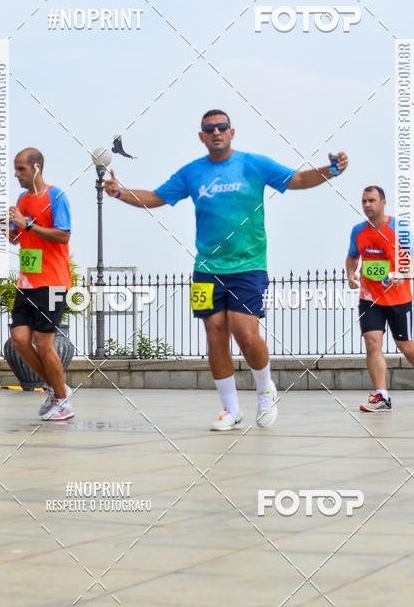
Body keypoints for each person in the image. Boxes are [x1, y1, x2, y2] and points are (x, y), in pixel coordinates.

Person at [104, 109, 348, 431]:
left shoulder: (254, 165)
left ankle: (265, 389)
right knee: (215, 333)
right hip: (207, 268)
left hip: (248, 265)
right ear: (201, 136)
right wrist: (121, 192)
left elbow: (298, 178)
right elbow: (156, 197)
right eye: (209, 128)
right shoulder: (192, 173)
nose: (216, 132)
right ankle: (231, 409)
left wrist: (330, 170)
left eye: (222, 127)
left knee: (244, 331)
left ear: (232, 132)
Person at [346, 185, 414, 412]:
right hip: (370, 299)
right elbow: (351, 257)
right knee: (372, 343)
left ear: (383, 202)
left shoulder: (399, 228)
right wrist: (350, 274)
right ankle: (382, 396)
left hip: (398, 299)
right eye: (364, 201)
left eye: (372, 200)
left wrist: (403, 273)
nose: (367, 205)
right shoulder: (358, 231)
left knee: (404, 345)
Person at [7, 148, 74, 421]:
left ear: (36, 168)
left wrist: (28, 225)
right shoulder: (23, 198)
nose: (16, 174)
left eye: (21, 168)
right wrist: (12, 229)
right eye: (15, 168)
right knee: (20, 340)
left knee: (44, 342)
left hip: (53, 282)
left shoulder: (56, 196)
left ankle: (62, 401)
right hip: (27, 282)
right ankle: (57, 388)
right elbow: (16, 238)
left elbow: (63, 235)